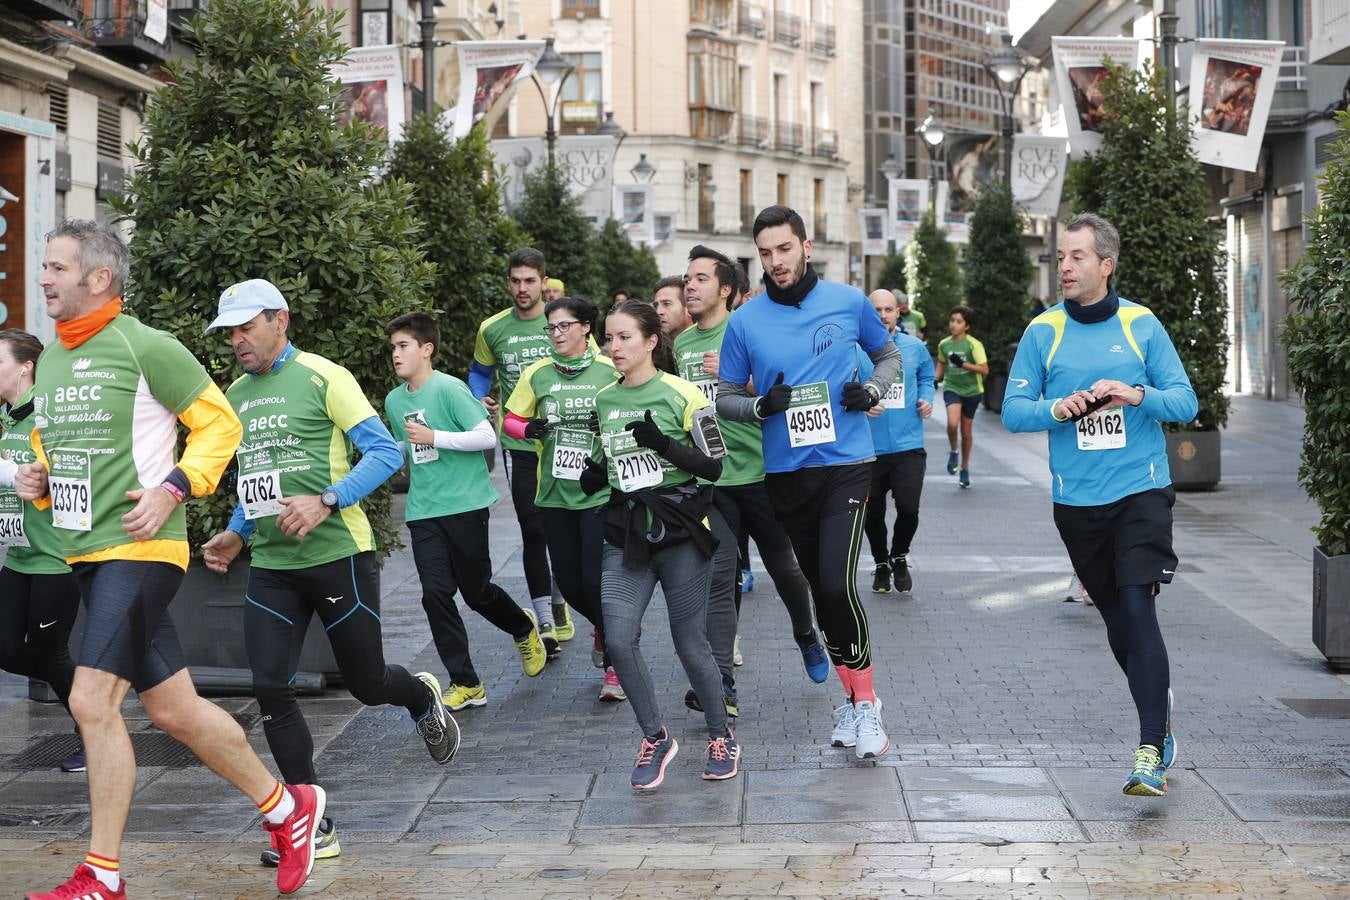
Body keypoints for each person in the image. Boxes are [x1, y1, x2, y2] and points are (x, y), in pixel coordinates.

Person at [20, 221, 321, 899]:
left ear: (99, 278)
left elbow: (220, 423)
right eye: (44, 266)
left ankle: (101, 875)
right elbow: (51, 436)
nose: (44, 278)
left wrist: (173, 488)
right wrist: (39, 476)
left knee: (89, 700)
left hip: (141, 548)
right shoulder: (56, 359)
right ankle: (287, 808)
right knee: (176, 712)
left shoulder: (146, 346)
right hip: (88, 553)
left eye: (56, 267)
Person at [200, 280, 459, 869]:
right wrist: (238, 531)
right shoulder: (235, 393)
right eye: (230, 332)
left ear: (280, 321)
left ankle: (419, 695)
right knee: (269, 686)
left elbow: (387, 454)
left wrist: (327, 500)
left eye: (246, 328)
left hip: (337, 554)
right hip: (272, 566)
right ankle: (311, 821)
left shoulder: (323, 375)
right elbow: (255, 480)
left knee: (367, 683)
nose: (237, 340)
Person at [1002, 212, 1194, 797]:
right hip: (1078, 502)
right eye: (1060, 257)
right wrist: (1058, 408)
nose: (1064, 266)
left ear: (1105, 265)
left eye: (1077, 257)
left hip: (1141, 489)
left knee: (1137, 608)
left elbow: (1184, 402)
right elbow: (1014, 412)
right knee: (1116, 624)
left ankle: (1148, 751)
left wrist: (1135, 394)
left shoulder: (1141, 325)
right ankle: (1160, 724)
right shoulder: (1043, 332)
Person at [716, 205, 901, 760]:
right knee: (823, 593)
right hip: (785, 475)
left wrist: (870, 391)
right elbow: (724, 397)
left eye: (783, 249)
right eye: (765, 253)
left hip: (847, 465)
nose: (775, 262)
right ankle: (851, 699)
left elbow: (887, 355)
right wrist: (758, 406)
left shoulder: (847, 301)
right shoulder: (744, 323)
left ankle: (868, 707)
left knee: (837, 583)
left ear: (806, 246)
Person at [580, 300, 739, 789]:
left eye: (624, 337)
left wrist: (663, 444)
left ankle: (720, 735)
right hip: (626, 533)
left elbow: (716, 465)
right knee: (619, 640)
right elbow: (603, 463)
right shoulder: (604, 400)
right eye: (608, 338)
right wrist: (596, 472)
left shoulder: (683, 394)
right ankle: (656, 737)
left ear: (651, 341)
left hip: (680, 531)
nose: (613, 347)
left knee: (689, 641)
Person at [673, 245, 830, 718]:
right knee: (721, 580)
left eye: (700, 278)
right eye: (687, 278)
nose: (690, 286)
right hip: (714, 479)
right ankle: (722, 683)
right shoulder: (680, 345)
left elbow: (787, 390)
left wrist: (740, 382)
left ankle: (805, 633)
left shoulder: (748, 330)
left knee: (785, 569)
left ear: (726, 290)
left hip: (763, 471)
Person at [384, 312, 546, 712]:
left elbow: (486, 436)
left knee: (476, 593)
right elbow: (405, 449)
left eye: (403, 346)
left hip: (466, 505)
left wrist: (436, 436)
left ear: (427, 349)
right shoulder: (393, 400)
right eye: (392, 348)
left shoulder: (450, 390)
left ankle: (522, 626)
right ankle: (466, 681)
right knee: (434, 595)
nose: (396, 355)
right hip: (424, 510)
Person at [502, 294, 626, 702]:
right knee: (571, 585)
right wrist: (529, 430)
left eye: (563, 326)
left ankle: (614, 663)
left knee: (595, 578)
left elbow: (633, 411)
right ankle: (605, 630)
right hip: (553, 494)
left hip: (598, 492)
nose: (556, 333)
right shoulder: (537, 373)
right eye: (551, 327)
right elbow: (510, 420)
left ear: (586, 328)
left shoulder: (609, 369)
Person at [470, 248, 576, 652]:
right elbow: (479, 374)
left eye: (529, 281)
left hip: (563, 442)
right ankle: (545, 621)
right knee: (533, 529)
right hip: (519, 443)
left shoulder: (559, 324)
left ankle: (561, 599)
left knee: (560, 527)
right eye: (515, 281)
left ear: (544, 282)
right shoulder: (493, 329)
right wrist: (480, 398)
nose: (521, 288)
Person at [0, 330, 86, 774]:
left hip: (55, 557)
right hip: (18, 557)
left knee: (51, 653)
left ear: (25, 366)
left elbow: (62, 472)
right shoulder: (8, 418)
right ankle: (95, 696)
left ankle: (94, 729)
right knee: (8, 650)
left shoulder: (49, 416)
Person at [859, 290, 934, 595]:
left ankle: (899, 554)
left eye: (888, 309)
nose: (882, 315)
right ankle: (880, 562)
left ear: (898, 313)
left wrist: (926, 399)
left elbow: (928, 377)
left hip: (908, 446)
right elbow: (842, 386)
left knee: (908, 509)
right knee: (872, 514)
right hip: (868, 448)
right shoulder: (855, 350)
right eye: (876, 309)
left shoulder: (915, 347)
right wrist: (862, 403)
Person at [935, 305, 988, 489]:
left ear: (967, 326)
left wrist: (964, 364)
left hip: (972, 391)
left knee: (966, 433)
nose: (954, 325)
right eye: (952, 321)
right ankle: (953, 451)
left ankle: (964, 468)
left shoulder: (974, 344)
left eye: (958, 322)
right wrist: (935, 378)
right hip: (952, 388)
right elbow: (941, 362)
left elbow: (984, 369)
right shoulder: (944, 344)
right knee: (952, 423)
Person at [652, 275, 693, 340]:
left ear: (688, 308)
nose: (658, 312)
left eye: (667, 304)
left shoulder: (709, 345)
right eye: (656, 306)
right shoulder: (650, 346)